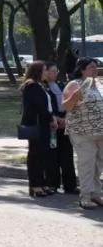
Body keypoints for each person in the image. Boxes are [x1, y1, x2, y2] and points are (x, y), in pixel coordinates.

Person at [62, 57, 103, 209]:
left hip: (100, 132)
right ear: (82, 69)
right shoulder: (75, 84)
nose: (95, 69)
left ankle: (96, 194)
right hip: (82, 131)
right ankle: (85, 196)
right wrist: (76, 95)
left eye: (96, 67)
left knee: (99, 164)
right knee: (87, 163)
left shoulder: (99, 84)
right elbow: (66, 106)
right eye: (92, 67)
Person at [20, 61, 55, 198]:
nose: (47, 72)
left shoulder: (41, 85)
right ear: (38, 71)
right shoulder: (32, 85)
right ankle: (35, 185)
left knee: (43, 155)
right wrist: (51, 118)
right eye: (45, 70)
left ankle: (42, 182)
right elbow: (39, 106)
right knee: (36, 155)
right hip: (36, 124)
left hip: (43, 124)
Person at [44, 62, 78, 194]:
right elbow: (44, 107)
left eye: (56, 71)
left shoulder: (62, 85)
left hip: (65, 124)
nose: (55, 73)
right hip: (52, 125)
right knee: (52, 155)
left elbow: (71, 102)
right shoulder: (43, 87)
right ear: (45, 72)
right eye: (52, 71)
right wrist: (55, 118)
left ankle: (70, 185)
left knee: (67, 155)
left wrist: (66, 118)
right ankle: (52, 183)